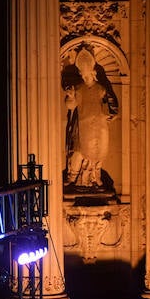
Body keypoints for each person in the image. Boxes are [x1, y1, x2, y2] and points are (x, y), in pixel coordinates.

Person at [63, 47, 119, 192]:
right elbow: (71, 105)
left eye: (86, 74)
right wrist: (70, 96)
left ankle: (95, 177)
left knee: (99, 151)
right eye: (82, 74)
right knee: (79, 152)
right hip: (82, 126)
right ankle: (74, 177)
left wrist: (111, 113)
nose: (84, 77)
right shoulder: (79, 88)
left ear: (92, 73)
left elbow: (112, 104)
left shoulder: (101, 89)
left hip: (99, 127)